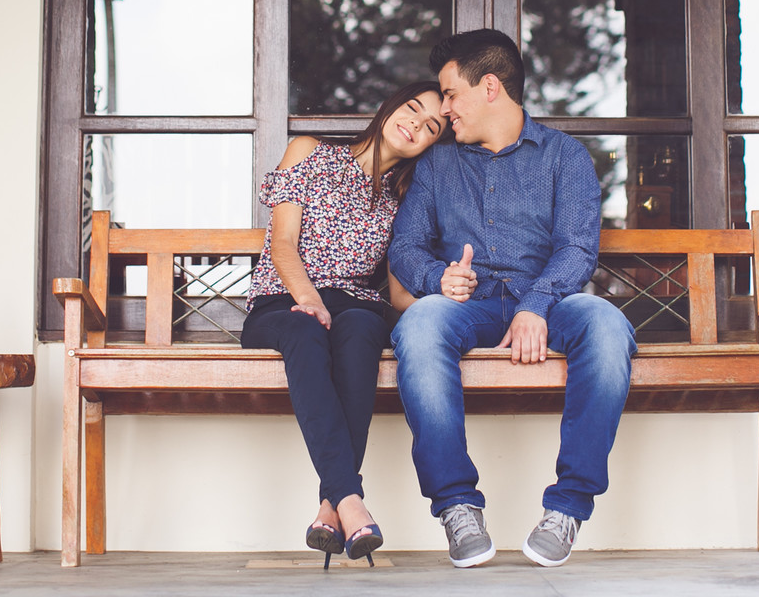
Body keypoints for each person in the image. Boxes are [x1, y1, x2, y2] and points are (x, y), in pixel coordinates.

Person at [387, 28, 637, 568]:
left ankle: (568, 506)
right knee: (420, 325)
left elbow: (577, 248)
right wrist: (438, 279)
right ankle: (455, 504)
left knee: (607, 324)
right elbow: (405, 246)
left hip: (549, 303)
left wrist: (535, 305)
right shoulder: (437, 164)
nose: (445, 109)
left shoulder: (565, 157)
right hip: (466, 307)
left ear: (491, 87)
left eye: (451, 94)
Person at [240, 80, 446, 568]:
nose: (416, 123)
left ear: (434, 142)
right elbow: (284, 243)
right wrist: (309, 300)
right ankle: (349, 500)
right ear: (390, 107)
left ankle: (332, 510)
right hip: (282, 302)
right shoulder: (309, 152)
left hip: (353, 307)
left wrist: (445, 307)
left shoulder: (405, 200)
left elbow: (396, 292)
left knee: (361, 329)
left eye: (432, 125)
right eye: (413, 109)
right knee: (307, 328)